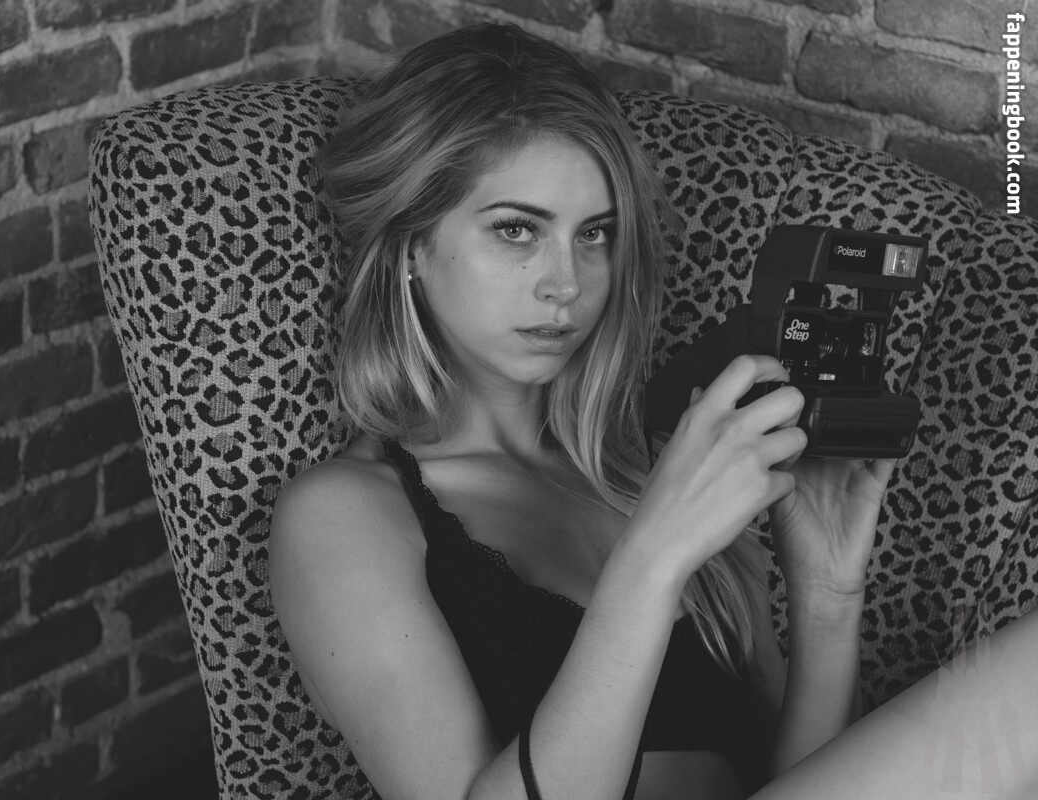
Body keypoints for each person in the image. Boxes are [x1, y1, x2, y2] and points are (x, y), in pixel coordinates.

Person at [268, 22, 1038, 800]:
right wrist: (652, 560)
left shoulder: (653, 475)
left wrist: (826, 594)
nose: (566, 283)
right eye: (516, 230)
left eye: (596, 235)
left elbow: (795, 782)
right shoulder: (342, 515)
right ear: (411, 244)